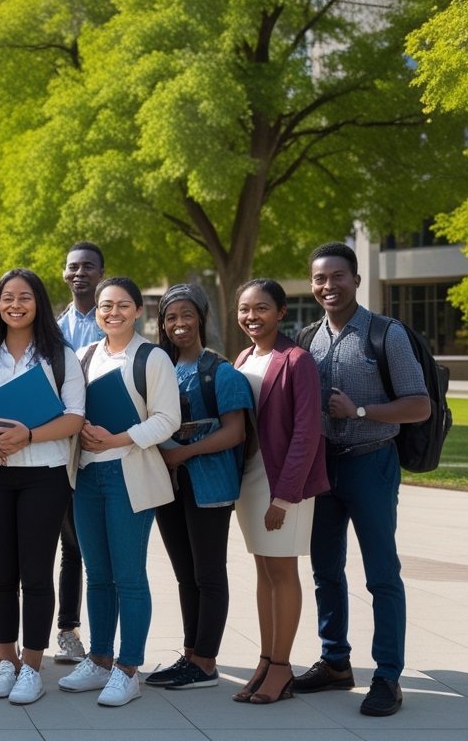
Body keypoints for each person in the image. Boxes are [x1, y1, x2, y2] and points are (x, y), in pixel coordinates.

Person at [293, 242, 430, 717]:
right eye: (319, 279)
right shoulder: (309, 336)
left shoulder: (385, 334)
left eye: (336, 277)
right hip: (323, 466)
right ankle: (335, 663)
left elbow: (419, 404)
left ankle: (388, 677)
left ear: (355, 279)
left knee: (381, 574)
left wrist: (360, 410)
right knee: (325, 570)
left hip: (371, 462)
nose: (327, 286)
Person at [59, 277, 180, 707]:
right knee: (98, 575)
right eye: (105, 306)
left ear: (138, 311)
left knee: (129, 577)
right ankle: (99, 658)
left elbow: (168, 420)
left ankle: (129, 668)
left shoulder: (153, 358)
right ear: (95, 312)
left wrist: (117, 438)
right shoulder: (84, 355)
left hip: (129, 475)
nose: (113, 312)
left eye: (122, 305)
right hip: (87, 475)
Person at [0, 268, 86, 706]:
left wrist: (30, 435)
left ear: (39, 304)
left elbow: (74, 417)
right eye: (7, 298)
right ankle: (5, 661)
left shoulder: (60, 356)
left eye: (24, 298)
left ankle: (32, 668)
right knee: (0, 575)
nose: (14, 305)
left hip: (45, 473)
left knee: (36, 574)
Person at [146, 284, 252, 692]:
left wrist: (182, 455)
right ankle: (190, 654)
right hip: (168, 486)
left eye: (186, 315)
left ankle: (206, 663)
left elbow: (235, 432)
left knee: (208, 573)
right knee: (184, 575)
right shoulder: (161, 368)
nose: (178, 324)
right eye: (170, 317)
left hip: (208, 484)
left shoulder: (221, 372)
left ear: (202, 318)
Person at [232, 278, 328, 705]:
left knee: (283, 571)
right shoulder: (243, 357)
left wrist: (285, 496)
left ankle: (283, 668)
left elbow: (307, 433)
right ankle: (267, 658)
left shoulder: (297, 360)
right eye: (245, 309)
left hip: (281, 484)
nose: (252, 316)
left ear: (282, 312)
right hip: (249, 480)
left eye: (262, 308)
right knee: (264, 572)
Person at [53, 241, 106, 664]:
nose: (79, 273)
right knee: (70, 546)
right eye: (73, 267)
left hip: (106, 444)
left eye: (88, 266)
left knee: (99, 547)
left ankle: (108, 635)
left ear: (100, 273)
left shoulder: (113, 322)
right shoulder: (53, 329)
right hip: (61, 446)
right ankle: (67, 629)